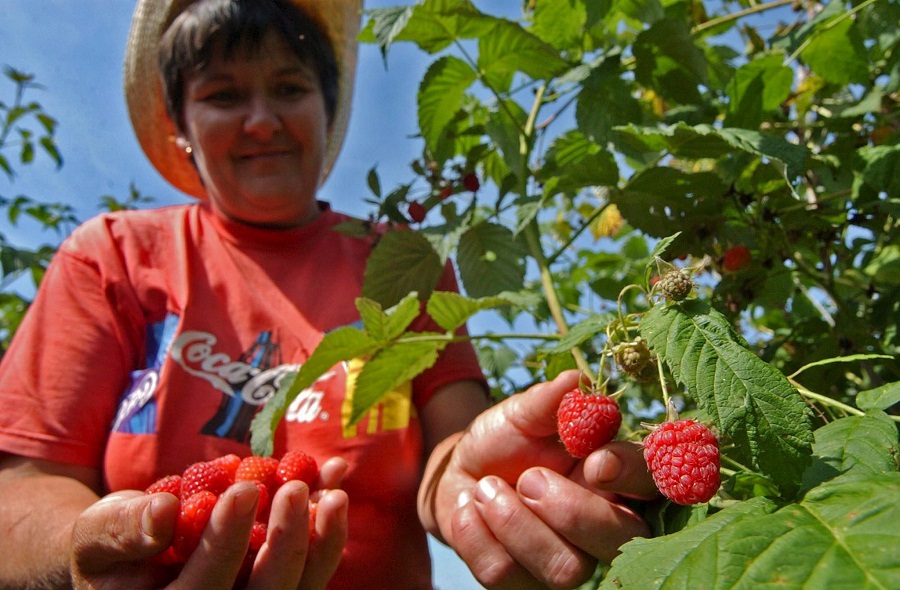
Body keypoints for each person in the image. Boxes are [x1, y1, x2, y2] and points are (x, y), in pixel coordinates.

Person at [0, 1, 654, 589]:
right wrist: (90, 547)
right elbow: (20, 490)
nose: (262, 121)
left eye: (290, 88)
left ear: (327, 109)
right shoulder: (113, 257)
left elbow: (451, 451)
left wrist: (476, 483)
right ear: (181, 126)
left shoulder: (404, 263)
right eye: (223, 95)